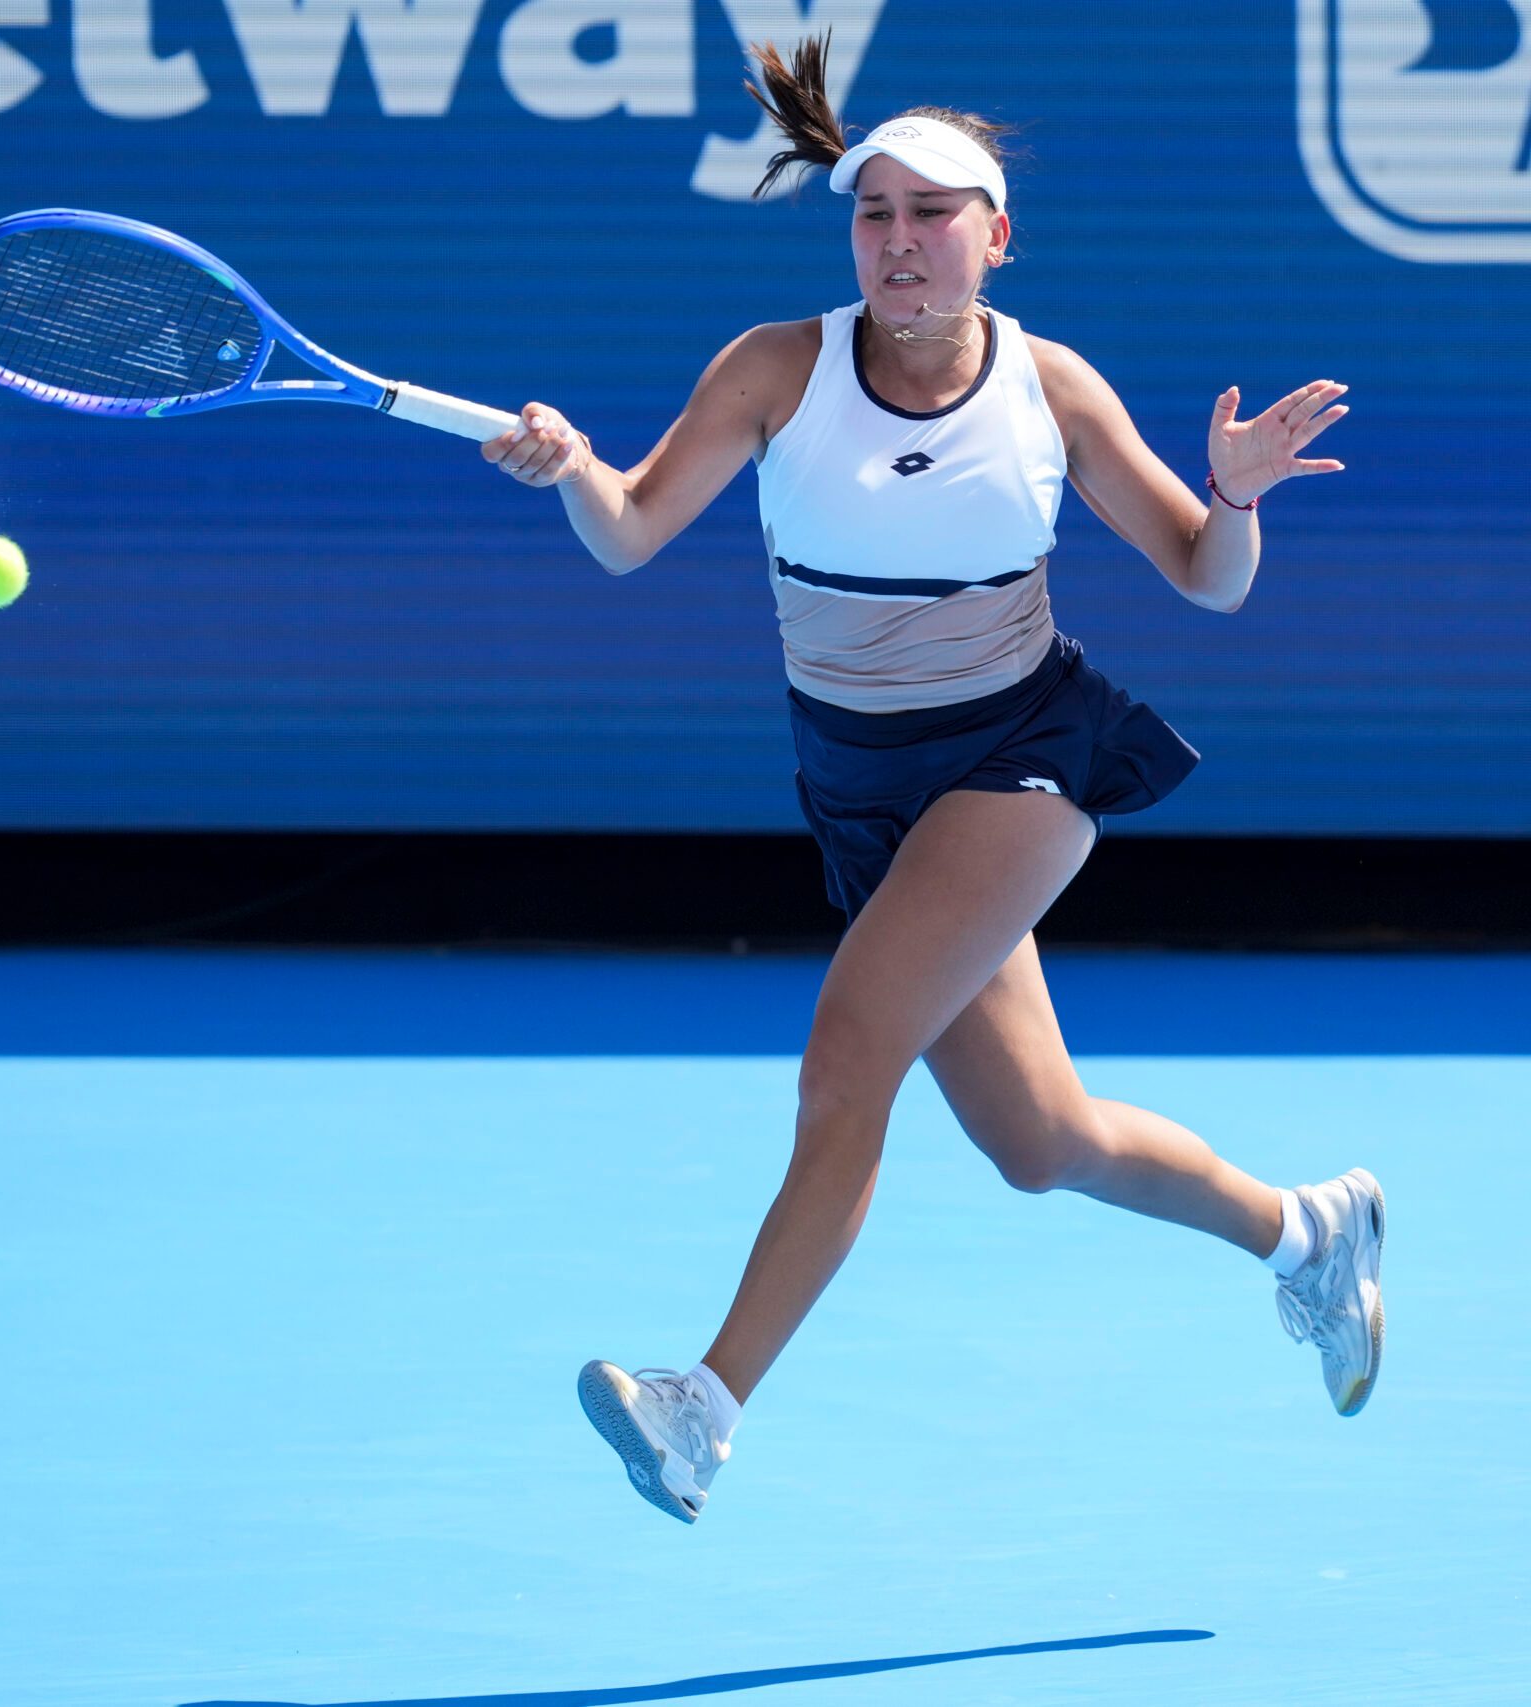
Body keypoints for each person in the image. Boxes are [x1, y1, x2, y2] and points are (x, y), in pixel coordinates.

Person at [480, 36, 1381, 1525]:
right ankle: (1309, 1237)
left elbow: (1208, 581)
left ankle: (703, 1409)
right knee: (1043, 1141)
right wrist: (572, 466)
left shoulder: (1052, 388)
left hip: (1019, 757)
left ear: (995, 236)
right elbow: (632, 529)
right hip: (857, 790)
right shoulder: (777, 367)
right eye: (874, 215)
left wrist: (1232, 494)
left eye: (931, 215)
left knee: (848, 1060)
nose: (898, 244)